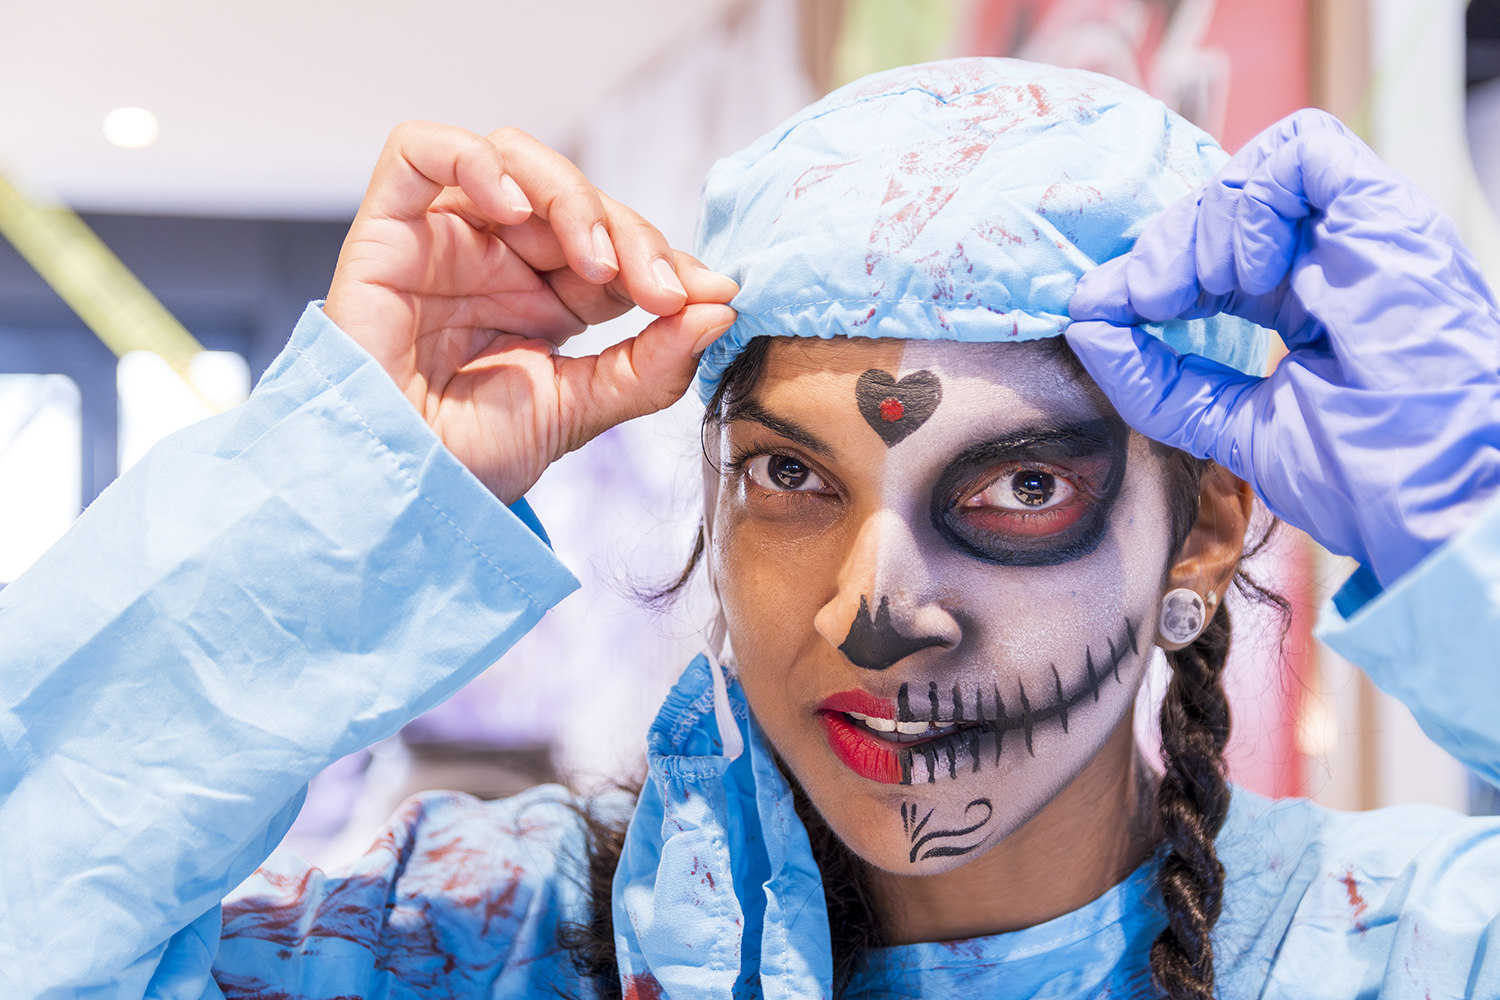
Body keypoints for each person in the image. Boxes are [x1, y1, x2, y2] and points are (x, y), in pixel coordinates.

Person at [3, 58, 1499, 1000]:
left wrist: (1478, 556)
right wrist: (330, 502)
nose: (876, 607)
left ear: (1204, 533)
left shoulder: (1410, 948)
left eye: (1024, 486)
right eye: (793, 478)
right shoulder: (473, 940)